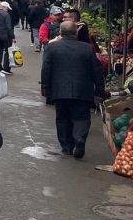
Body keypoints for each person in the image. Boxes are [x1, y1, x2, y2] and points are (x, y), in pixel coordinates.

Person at [40, 20, 105, 159]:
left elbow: (46, 69)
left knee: (62, 118)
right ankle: (79, 138)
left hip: (59, 90)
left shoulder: (52, 48)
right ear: (76, 33)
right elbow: (96, 70)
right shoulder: (87, 48)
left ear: (60, 33)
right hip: (83, 90)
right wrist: (99, 90)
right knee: (82, 117)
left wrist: (45, 87)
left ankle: (67, 147)